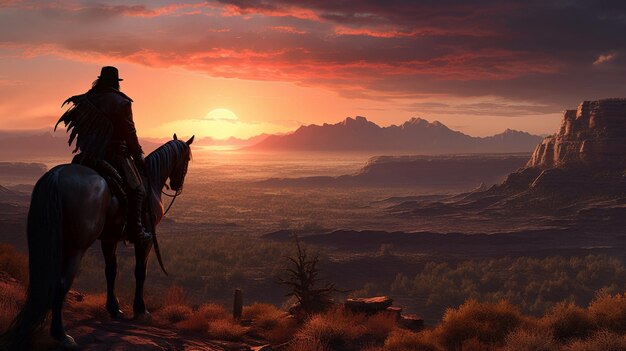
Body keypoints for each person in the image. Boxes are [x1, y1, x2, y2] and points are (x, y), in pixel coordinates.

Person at [55, 66, 152, 243]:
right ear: (116, 82)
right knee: (138, 190)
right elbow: (130, 133)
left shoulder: (87, 99)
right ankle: (136, 230)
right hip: (113, 156)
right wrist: (138, 156)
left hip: (86, 156)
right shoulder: (122, 102)